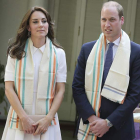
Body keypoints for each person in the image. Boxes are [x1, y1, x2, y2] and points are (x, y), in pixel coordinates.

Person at [72, 1, 140, 140]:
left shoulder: (135, 51)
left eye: (112, 20)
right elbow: (77, 87)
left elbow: (135, 94)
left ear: (122, 20)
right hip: (90, 126)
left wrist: (108, 123)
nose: (107, 25)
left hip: (120, 129)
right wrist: (92, 119)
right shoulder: (87, 49)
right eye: (104, 19)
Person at [2, 6, 67, 140]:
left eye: (44, 21)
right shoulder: (15, 53)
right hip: (20, 118)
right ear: (28, 27)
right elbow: (8, 89)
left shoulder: (59, 54)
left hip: (47, 120)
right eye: (35, 21)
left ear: (48, 24)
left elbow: (60, 90)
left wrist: (48, 119)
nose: (41, 25)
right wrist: (24, 118)